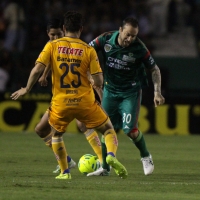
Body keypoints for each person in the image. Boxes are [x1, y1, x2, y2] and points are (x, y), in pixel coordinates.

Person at [10, 11, 128, 180]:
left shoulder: (52, 46)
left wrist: (27, 89)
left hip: (61, 102)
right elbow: (98, 80)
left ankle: (66, 171)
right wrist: (98, 87)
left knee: (57, 134)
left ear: (64, 28)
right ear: (81, 28)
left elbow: (37, 68)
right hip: (84, 101)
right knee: (108, 129)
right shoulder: (88, 50)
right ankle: (109, 156)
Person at [87, 16, 165, 176]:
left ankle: (145, 156)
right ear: (120, 30)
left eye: (134, 35)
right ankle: (105, 168)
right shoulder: (106, 39)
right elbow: (86, 52)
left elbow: (155, 69)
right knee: (105, 128)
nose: (130, 38)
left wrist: (157, 92)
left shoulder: (139, 48)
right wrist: (90, 74)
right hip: (110, 90)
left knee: (130, 130)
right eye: (128, 34)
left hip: (130, 92)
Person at [35, 18, 103, 174]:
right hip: (60, 98)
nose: (55, 38)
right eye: (52, 35)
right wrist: (44, 75)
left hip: (78, 96)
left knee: (81, 125)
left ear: (64, 31)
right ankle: (68, 161)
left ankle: (103, 160)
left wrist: (100, 95)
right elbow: (47, 64)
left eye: (58, 34)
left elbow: (90, 75)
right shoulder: (52, 47)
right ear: (48, 34)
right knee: (40, 129)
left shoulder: (75, 49)